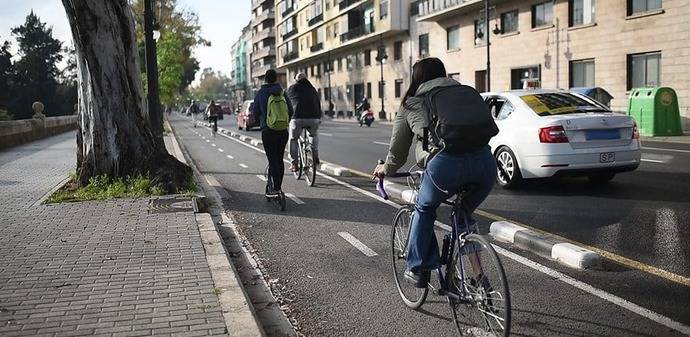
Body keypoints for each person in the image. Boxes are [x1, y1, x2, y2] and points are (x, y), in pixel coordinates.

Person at [372, 58, 497, 287]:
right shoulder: (464, 92)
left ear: (417, 78)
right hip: (486, 164)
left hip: (445, 166)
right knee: (464, 216)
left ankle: (417, 268)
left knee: (425, 207)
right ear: (443, 74)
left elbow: (398, 151)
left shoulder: (412, 103)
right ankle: (481, 280)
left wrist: (385, 169)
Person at [255, 69, 294, 196]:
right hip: (282, 131)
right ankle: (278, 186)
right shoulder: (282, 92)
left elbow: (255, 113)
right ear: (276, 79)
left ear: (265, 79)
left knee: (272, 160)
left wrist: (260, 122)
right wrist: (284, 121)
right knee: (279, 159)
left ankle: (275, 189)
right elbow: (291, 110)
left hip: (268, 131)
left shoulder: (260, 93)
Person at [287, 72, 322, 171]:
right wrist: (318, 118)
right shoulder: (313, 89)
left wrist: (287, 117)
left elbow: (287, 103)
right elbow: (318, 104)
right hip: (313, 118)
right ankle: (315, 155)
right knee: (313, 135)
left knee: (293, 139)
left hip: (297, 118)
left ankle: (294, 164)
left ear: (296, 80)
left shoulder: (292, 88)